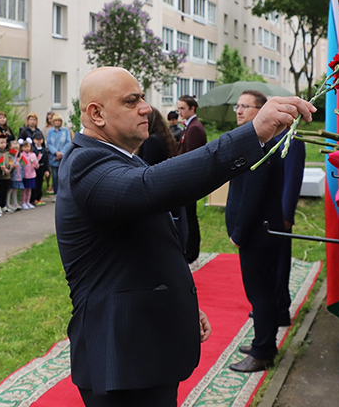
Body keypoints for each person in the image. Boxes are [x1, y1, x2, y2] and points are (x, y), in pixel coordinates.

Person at [55, 67, 314, 406]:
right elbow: (152, 187)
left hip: (141, 347)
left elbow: (145, 249)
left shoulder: (119, 158)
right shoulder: (86, 163)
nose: (146, 108)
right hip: (121, 360)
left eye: (143, 98)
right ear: (96, 113)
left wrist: (180, 302)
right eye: (132, 101)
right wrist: (252, 134)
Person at [225, 91, 306, 372]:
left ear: (262, 111)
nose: (239, 111)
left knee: (260, 294)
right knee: (262, 294)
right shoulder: (258, 144)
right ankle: (264, 342)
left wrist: (238, 232)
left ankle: (262, 352)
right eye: (238, 106)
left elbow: (252, 197)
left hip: (256, 233)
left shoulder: (261, 148)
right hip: (259, 232)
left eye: (244, 106)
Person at [176, 95, 208, 264]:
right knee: (187, 217)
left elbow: (193, 157)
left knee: (190, 218)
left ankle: (192, 254)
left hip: (190, 180)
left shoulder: (194, 128)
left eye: (182, 108)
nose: (179, 112)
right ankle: (190, 252)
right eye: (178, 108)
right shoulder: (189, 126)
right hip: (186, 179)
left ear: (192, 109)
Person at [46, 114, 71, 195]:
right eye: (55, 121)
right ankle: (56, 193)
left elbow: (68, 142)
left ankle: (64, 193)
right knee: (55, 176)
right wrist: (56, 152)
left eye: (58, 121)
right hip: (54, 157)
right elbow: (49, 143)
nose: (57, 122)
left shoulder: (65, 130)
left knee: (63, 176)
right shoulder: (50, 131)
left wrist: (62, 153)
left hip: (63, 157)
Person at [17, 138, 39, 210]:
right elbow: (21, 164)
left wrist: (36, 165)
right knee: (24, 190)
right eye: (25, 147)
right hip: (24, 175)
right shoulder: (21, 155)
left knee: (29, 189)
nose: (26, 148)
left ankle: (28, 201)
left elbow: (36, 163)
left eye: (28, 147)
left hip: (32, 174)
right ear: (22, 148)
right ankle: (23, 202)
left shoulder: (33, 155)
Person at [30, 131, 49, 205]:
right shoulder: (33, 150)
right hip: (34, 170)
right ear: (34, 140)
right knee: (35, 185)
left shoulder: (44, 150)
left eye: (40, 139)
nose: (38, 141)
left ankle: (39, 198)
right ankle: (34, 198)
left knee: (40, 184)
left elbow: (46, 161)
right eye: (37, 139)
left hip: (42, 168)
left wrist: (47, 170)